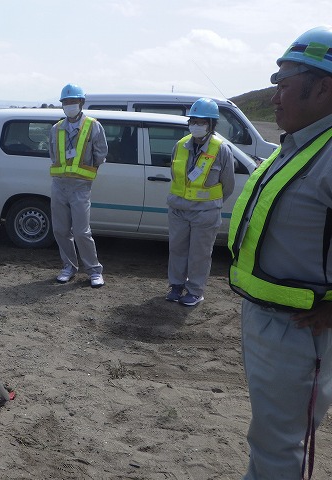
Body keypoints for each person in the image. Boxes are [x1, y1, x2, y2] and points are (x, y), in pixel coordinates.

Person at [228, 26, 332, 479]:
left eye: (284, 85)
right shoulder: (298, 145)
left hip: (302, 332)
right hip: (271, 319)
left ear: (324, 87)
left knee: (277, 445)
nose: (274, 98)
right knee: (270, 437)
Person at [165, 98, 235, 306]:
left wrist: (210, 203)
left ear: (211, 124)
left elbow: (228, 184)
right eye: (193, 121)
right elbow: (174, 175)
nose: (196, 125)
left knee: (199, 254)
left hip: (205, 212)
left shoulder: (221, 149)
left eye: (202, 121)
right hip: (178, 209)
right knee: (177, 249)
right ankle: (176, 285)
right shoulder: (180, 146)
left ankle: (195, 290)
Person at [48, 83, 108, 288]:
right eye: (66, 102)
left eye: (73, 101)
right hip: (59, 184)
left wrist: (88, 173)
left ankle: (93, 270)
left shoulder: (93, 126)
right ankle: (69, 267)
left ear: (81, 103)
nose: (69, 105)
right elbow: (52, 155)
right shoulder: (56, 129)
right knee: (60, 229)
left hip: (81, 185)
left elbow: (101, 153)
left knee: (82, 231)